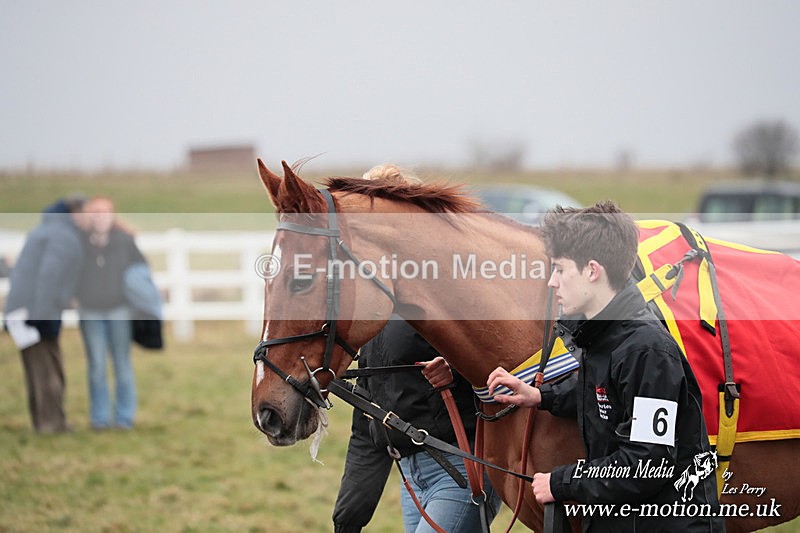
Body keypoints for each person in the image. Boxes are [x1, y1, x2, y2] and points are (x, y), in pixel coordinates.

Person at [487, 201, 724, 532]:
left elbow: (646, 464)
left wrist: (562, 482)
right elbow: (605, 391)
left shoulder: (646, 351)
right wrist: (541, 396)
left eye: (560, 269)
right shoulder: (603, 336)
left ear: (592, 271)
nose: (552, 282)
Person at [333, 317, 502, 533]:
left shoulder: (446, 302)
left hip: (459, 469)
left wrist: (455, 371)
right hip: (411, 479)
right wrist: (348, 518)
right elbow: (368, 425)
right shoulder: (375, 323)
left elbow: (499, 359)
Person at [3, 195, 88, 433]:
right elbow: (49, 274)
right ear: (75, 213)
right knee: (47, 369)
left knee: (36, 368)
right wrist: (41, 316)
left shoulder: (49, 229)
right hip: (36, 312)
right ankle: (52, 424)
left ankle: (43, 421)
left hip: (25, 310)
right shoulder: (63, 235)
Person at [76, 197, 145, 430]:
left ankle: (124, 417)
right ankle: (100, 418)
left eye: (104, 211)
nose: (100, 216)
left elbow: (141, 270)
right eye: (95, 211)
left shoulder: (124, 241)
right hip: (90, 310)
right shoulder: (80, 241)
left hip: (119, 309)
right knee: (96, 365)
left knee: (122, 363)